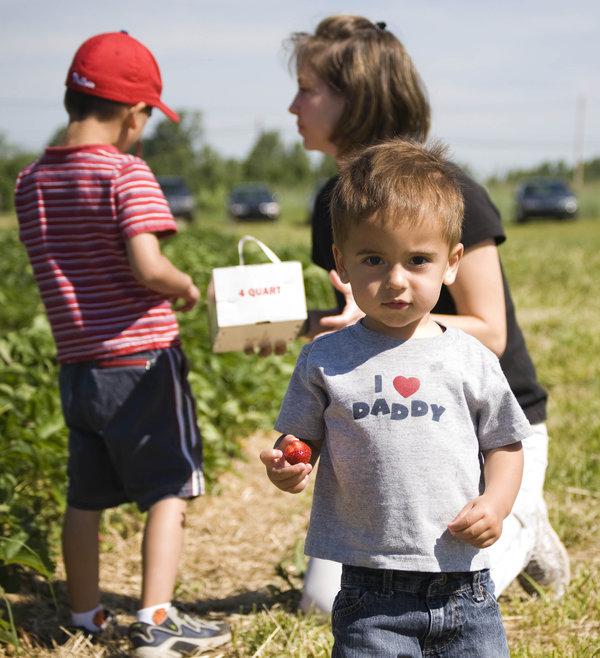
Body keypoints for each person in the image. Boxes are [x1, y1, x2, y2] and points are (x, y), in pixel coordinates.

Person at [283, 14, 569, 613]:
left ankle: (521, 518)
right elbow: (360, 316)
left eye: (307, 88)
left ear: (355, 97)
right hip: (387, 429)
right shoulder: (333, 203)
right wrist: (289, 327)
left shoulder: (452, 191)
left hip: (479, 426)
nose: (292, 106)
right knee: (319, 605)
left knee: (468, 577)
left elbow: (490, 331)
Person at [261, 139, 529, 657]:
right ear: (340, 262)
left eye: (418, 260)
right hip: (369, 587)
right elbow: (300, 438)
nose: (395, 281)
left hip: (463, 580)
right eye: (374, 259)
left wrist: (496, 503)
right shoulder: (325, 358)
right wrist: (289, 463)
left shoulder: (469, 358)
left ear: (452, 263)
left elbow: (505, 443)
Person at [14, 31, 230, 656]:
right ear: (135, 114)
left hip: (77, 369)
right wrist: (184, 285)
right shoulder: (126, 172)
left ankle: (84, 616)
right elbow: (145, 263)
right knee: (170, 488)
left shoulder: (30, 182)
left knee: (85, 498)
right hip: (141, 363)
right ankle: (156, 620)